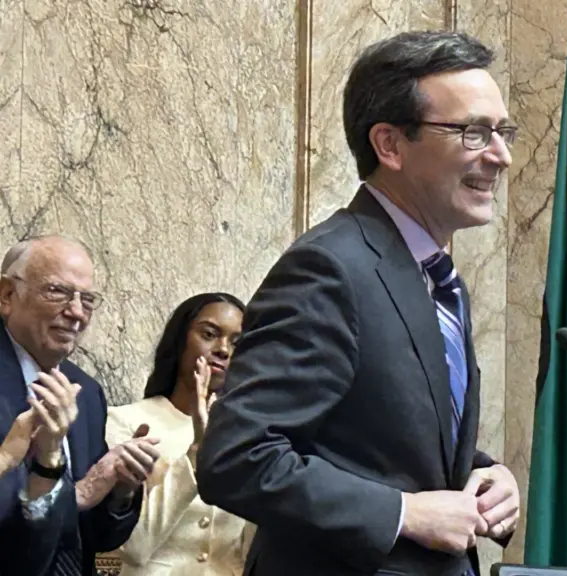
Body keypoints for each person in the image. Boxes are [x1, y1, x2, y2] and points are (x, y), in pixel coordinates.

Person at [195, 30, 521, 576]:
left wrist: (486, 476)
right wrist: (402, 514)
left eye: (502, 131)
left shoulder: (438, 278)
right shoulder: (329, 268)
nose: (501, 156)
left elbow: (380, 447)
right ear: (390, 145)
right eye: (473, 132)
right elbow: (236, 456)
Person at [0, 235, 160, 576]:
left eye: (87, 300)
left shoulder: (86, 392)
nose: (76, 313)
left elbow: (93, 537)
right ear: (7, 295)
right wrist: (76, 493)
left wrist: (119, 489)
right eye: (57, 291)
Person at [104, 293, 255, 575]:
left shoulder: (247, 434)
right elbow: (133, 546)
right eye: (209, 334)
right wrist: (197, 453)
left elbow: (253, 554)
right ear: (179, 341)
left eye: (237, 342)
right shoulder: (127, 421)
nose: (223, 350)